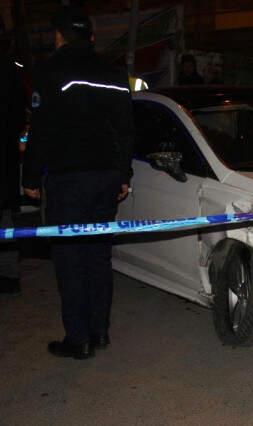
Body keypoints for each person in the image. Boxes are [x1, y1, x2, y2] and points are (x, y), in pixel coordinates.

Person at [22, 6, 134, 360]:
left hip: (69, 178)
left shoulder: (51, 70)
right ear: (92, 36)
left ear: (58, 35)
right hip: (104, 177)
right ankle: (99, 332)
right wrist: (123, 174)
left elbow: (41, 129)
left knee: (70, 258)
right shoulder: (114, 72)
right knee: (97, 255)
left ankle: (77, 340)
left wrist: (30, 176)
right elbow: (126, 127)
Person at [0, 48, 26, 294]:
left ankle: (8, 274)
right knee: (6, 220)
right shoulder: (10, 66)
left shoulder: (10, 66)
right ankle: (8, 275)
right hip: (5, 160)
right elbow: (19, 112)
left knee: (6, 221)